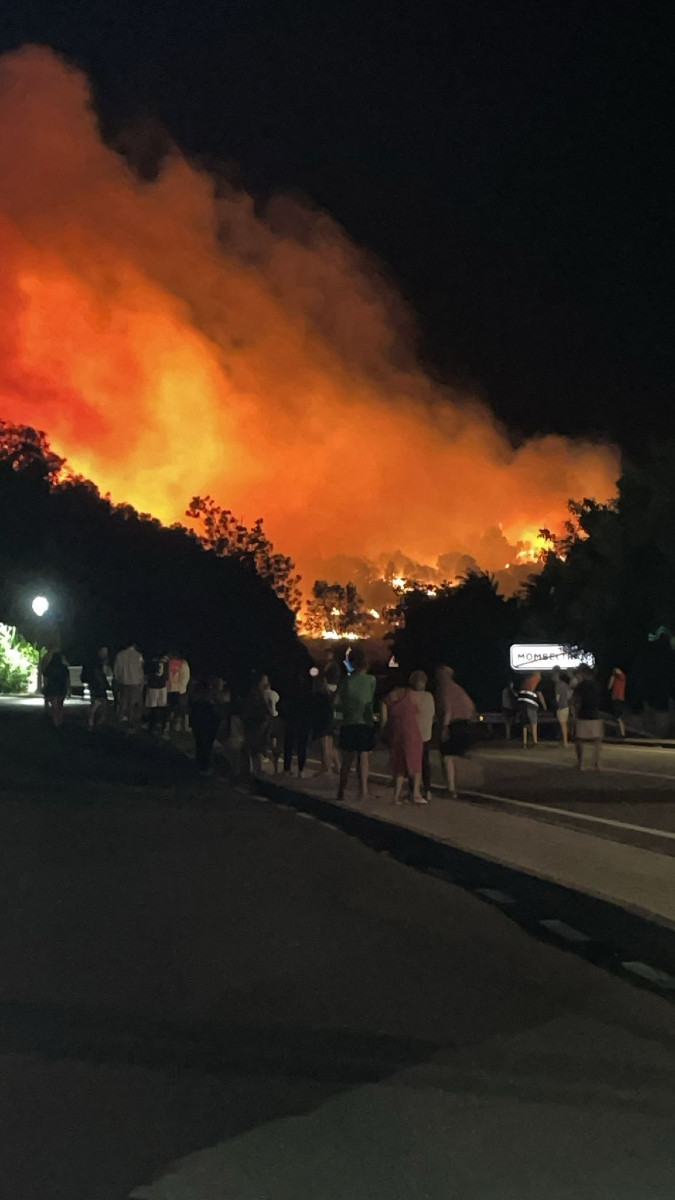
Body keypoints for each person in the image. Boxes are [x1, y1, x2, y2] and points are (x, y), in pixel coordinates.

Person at [336, 646, 376, 802]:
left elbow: (336, 702)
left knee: (347, 760)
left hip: (348, 722)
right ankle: (363, 790)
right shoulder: (371, 680)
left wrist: (347, 707)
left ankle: (341, 790)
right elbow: (370, 700)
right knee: (363, 758)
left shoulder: (346, 681)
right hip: (365, 722)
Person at [380, 682, 425, 804]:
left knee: (399, 766)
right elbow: (419, 711)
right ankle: (415, 794)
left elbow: (384, 721)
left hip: (397, 734)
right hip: (413, 733)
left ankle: (395, 797)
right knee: (416, 765)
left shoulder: (387, 700)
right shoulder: (410, 694)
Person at [435, 665, 476, 798]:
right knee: (455, 755)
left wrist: (445, 728)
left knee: (446, 757)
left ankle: (451, 789)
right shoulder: (459, 689)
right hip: (465, 724)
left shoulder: (444, 689)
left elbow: (447, 709)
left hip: (453, 724)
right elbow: (471, 707)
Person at [279, 670, 313, 778]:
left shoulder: (289, 693)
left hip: (291, 720)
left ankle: (286, 769)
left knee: (288, 745)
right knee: (301, 747)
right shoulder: (307, 693)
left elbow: (283, 705)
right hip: (303, 721)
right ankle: (301, 770)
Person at [189, 676, 225, 775]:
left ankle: (200, 763)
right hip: (208, 725)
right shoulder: (211, 700)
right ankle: (203, 767)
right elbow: (217, 714)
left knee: (200, 744)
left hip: (199, 724)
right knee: (206, 746)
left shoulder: (198, 698)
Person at [409, 670, 435, 799]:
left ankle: (412, 788)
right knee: (425, 762)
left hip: (413, 734)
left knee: (412, 763)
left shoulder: (409, 696)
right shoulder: (429, 696)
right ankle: (427, 790)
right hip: (426, 733)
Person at [242, 672, 273, 776]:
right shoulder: (256, 694)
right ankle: (255, 770)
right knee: (256, 748)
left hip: (259, 724)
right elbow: (260, 710)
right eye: (265, 679)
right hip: (257, 724)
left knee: (257, 748)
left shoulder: (261, 693)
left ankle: (255, 769)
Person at [573, 667, 604, 770]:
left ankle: (581, 763)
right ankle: (597, 763)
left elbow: (575, 700)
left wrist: (574, 713)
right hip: (595, 714)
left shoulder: (580, 686)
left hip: (583, 714)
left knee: (580, 740)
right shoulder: (597, 685)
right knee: (597, 741)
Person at [311, 672, 340, 774]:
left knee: (324, 748)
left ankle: (326, 768)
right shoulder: (328, 695)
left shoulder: (316, 696)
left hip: (321, 723)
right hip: (329, 721)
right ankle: (337, 766)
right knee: (331, 746)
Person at [113, 642, 145, 730]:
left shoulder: (120, 655)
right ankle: (131, 720)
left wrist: (117, 679)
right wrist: (141, 680)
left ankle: (121, 719)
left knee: (123, 701)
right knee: (132, 702)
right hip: (135, 682)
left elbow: (116, 669)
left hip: (123, 681)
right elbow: (140, 669)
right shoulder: (138, 655)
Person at [81, 647, 111, 730]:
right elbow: (101, 676)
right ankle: (97, 721)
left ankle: (92, 720)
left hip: (93, 685)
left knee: (95, 703)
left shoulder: (90, 663)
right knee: (102, 703)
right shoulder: (99, 665)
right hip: (99, 686)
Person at [517, 671, 546, 747]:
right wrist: (544, 706)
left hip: (522, 705)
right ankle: (535, 741)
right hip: (531, 705)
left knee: (525, 724)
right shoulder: (537, 682)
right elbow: (539, 694)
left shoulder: (526, 681)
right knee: (534, 723)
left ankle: (525, 742)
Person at [42, 649, 70, 727]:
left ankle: (55, 720)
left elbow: (45, 679)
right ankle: (59, 720)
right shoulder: (64, 669)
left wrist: (45, 687)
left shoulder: (49, 668)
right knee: (60, 705)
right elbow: (68, 680)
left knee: (54, 706)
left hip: (52, 688)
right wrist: (69, 689)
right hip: (61, 688)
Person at [145, 652, 169, 737]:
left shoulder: (160, 664)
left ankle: (155, 725)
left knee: (156, 707)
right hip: (158, 687)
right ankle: (156, 725)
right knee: (157, 707)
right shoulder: (158, 664)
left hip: (156, 687)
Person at [167, 652, 191, 732]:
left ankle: (171, 725)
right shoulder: (183, 664)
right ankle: (178, 725)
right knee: (181, 709)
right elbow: (186, 677)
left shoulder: (170, 663)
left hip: (171, 689)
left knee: (171, 708)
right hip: (180, 690)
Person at [553, 669, 572, 747]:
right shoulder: (566, 685)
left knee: (562, 724)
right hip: (566, 705)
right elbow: (569, 695)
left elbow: (557, 697)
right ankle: (565, 740)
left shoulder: (557, 685)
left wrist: (557, 703)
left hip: (560, 706)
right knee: (564, 724)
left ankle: (565, 741)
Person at [608, 666, 627, 737]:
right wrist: (612, 678)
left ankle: (622, 733)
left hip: (619, 698)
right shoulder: (615, 678)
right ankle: (620, 732)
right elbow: (609, 687)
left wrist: (615, 671)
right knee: (616, 717)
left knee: (618, 717)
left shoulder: (622, 677)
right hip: (615, 698)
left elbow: (619, 672)